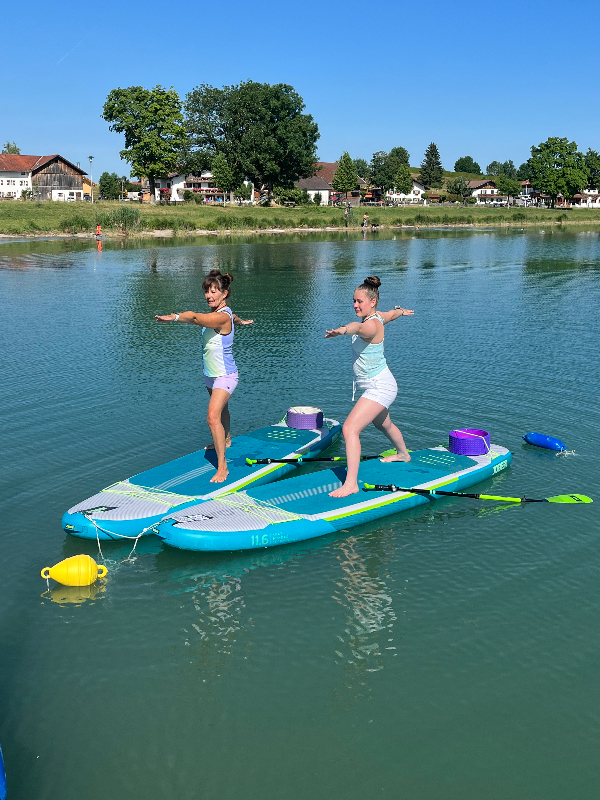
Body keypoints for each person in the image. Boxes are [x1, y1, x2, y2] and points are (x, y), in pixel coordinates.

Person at [155, 270, 252, 483]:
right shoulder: (226, 313)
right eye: (207, 291)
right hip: (210, 374)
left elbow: (197, 318)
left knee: (212, 417)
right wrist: (242, 322)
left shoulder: (219, 317)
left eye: (213, 291)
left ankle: (223, 468)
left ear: (224, 293)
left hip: (226, 375)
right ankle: (226, 440)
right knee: (222, 410)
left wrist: (175, 317)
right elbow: (233, 317)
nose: (209, 295)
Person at [325, 276, 414, 498]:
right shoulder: (379, 316)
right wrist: (401, 311)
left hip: (379, 386)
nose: (355, 305)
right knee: (384, 424)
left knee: (350, 429)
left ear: (372, 302)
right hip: (378, 384)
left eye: (359, 302)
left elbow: (357, 328)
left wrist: (342, 330)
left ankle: (351, 484)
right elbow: (391, 315)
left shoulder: (371, 325)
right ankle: (403, 454)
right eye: (353, 301)